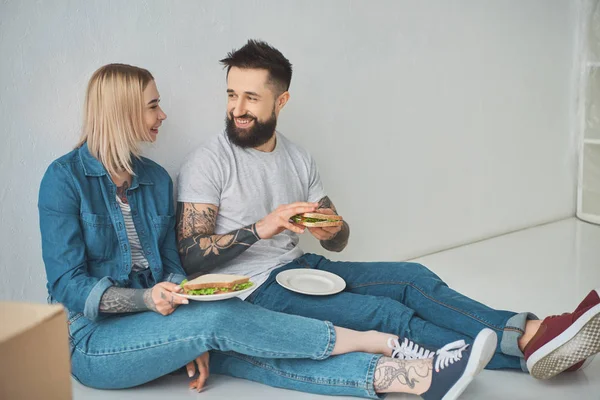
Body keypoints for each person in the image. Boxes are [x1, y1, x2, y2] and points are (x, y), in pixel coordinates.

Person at [38, 63, 495, 399]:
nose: (163, 115)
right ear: (121, 110)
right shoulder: (64, 180)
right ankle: (381, 343)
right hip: (92, 339)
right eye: (154, 104)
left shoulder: (155, 179)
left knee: (248, 355)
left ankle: (411, 379)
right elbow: (67, 285)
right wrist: (155, 305)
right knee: (220, 318)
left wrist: (185, 332)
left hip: (163, 322)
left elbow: (174, 266)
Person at [176, 40, 600, 382]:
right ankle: (529, 349)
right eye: (232, 94)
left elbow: (340, 238)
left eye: (251, 97)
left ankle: (533, 339)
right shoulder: (210, 160)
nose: (237, 108)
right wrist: (263, 226)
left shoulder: (298, 158)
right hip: (253, 291)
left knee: (412, 278)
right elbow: (190, 256)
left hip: (300, 266)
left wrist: (331, 229)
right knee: (385, 314)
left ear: (281, 100)